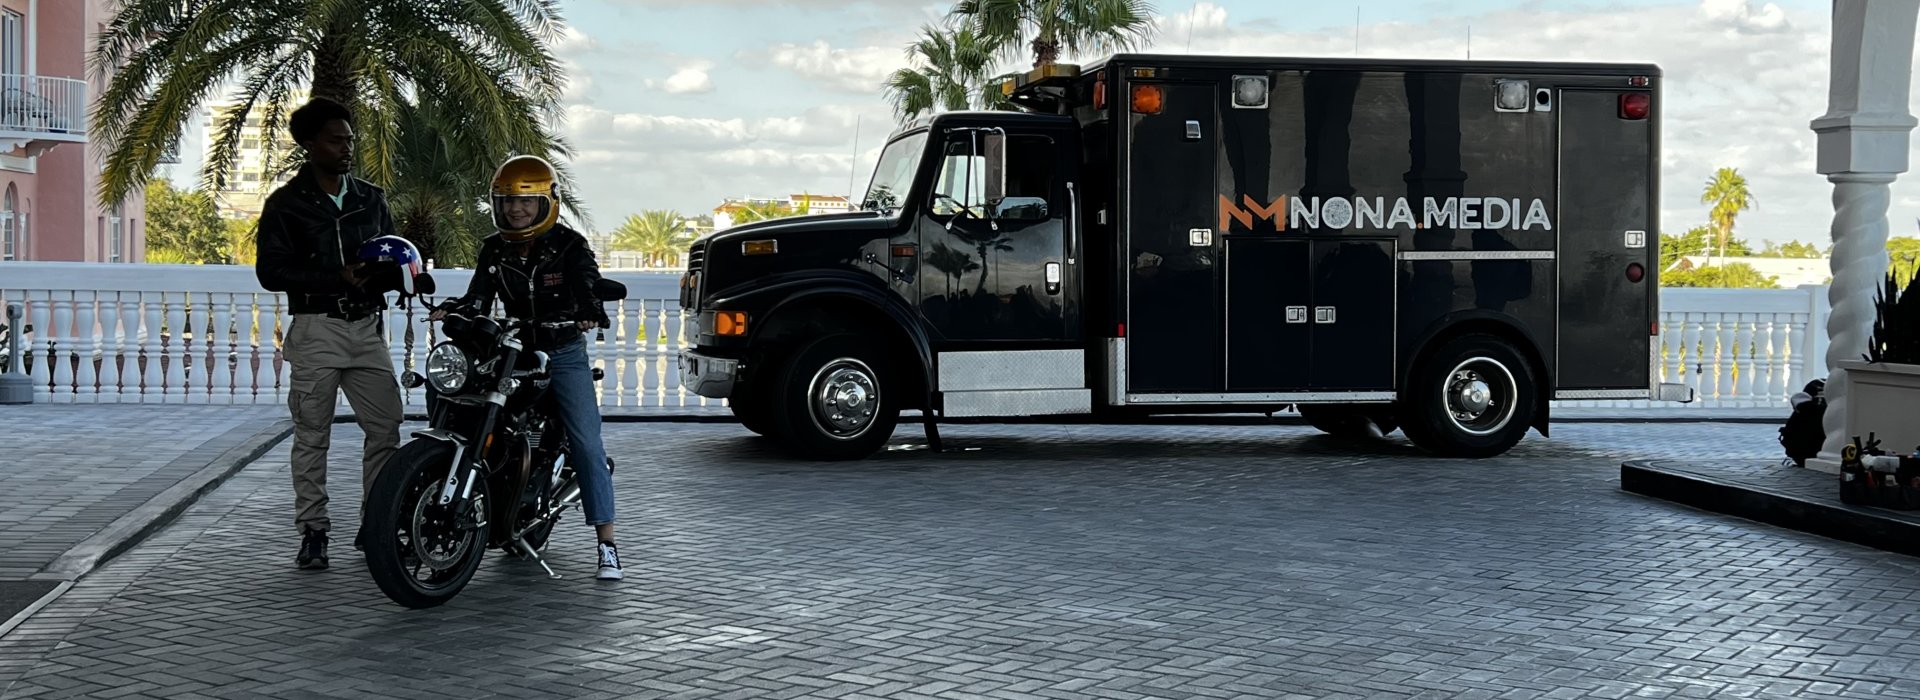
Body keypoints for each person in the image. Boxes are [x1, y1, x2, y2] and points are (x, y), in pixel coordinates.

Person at [430, 155, 622, 581]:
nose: (516, 210)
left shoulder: (570, 245)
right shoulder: (494, 248)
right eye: (507, 202)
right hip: (514, 347)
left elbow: (587, 282)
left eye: (526, 201)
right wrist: (453, 309)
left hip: (562, 350)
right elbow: (477, 296)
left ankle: (607, 544)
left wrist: (590, 309)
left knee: (587, 443)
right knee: (471, 403)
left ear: (545, 202)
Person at [254, 97, 408, 570]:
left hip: (366, 329)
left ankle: (375, 523)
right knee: (312, 434)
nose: (347, 148)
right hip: (317, 328)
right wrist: (334, 277)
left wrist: (397, 276)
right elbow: (271, 272)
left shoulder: (370, 197)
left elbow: (392, 254)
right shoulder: (285, 204)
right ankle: (313, 531)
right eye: (336, 140)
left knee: (385, 427)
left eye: (350, 140)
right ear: (309, 144)